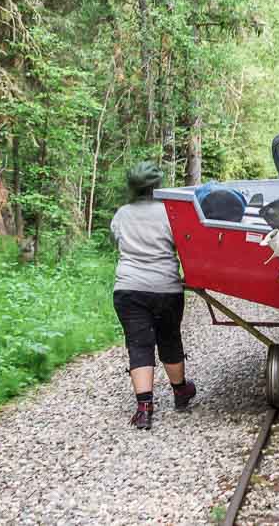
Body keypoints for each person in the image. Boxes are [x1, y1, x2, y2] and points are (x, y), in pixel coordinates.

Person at [111, 161, 197, 429]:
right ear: (156, 186)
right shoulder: (169, 213)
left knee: (138, 344)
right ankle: (180, 392)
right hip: (165, 288)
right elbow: (184, 246)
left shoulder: (121, 214)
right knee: (169, 339)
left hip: (128, 287)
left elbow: (118, 242)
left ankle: (145, 408)